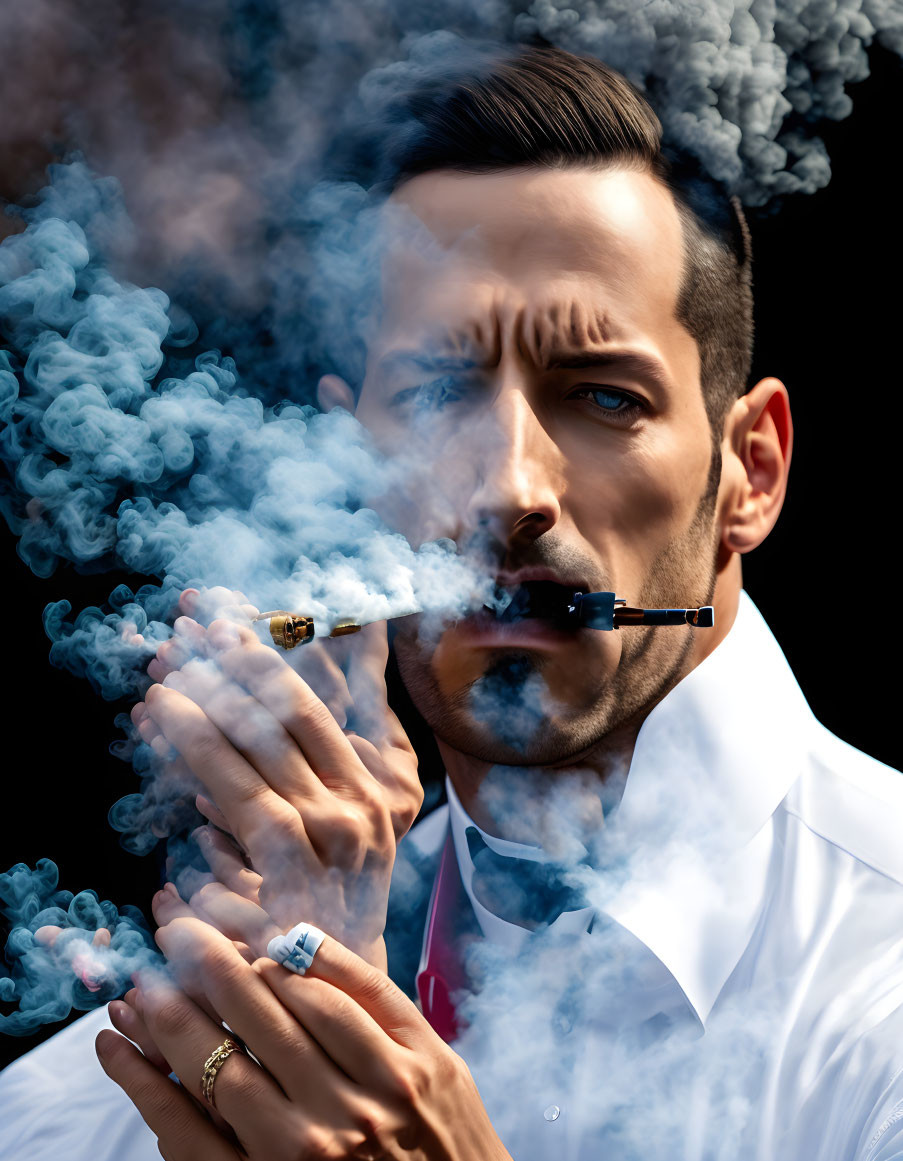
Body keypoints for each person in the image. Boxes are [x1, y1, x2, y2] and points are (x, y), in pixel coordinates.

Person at [3, 44, 903, 1161]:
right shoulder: (93, 1096)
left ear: (750, 472)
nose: (508, 488)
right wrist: (289, 1011)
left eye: (604, 398)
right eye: (435, 392)